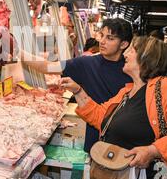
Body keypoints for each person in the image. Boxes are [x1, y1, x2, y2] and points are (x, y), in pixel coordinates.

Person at [61, 36, 167, 179]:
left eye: (131, 50)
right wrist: (77, 91)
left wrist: (152, 151)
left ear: (148, 57)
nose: (125, 54)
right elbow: (99, 117)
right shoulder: (126, 92)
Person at [20, 18, 133, 153]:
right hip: (96, 140)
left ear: (123, 44)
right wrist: (17, 51)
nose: (102, 41)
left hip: (125, 143)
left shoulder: (132, 69)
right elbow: (47, 66)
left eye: (110, 38)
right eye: (101, 35)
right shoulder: (86, 64)